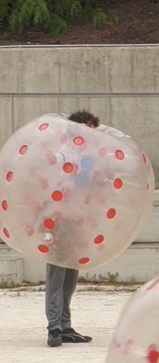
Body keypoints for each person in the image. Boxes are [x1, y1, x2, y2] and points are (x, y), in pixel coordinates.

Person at [45, 109, 100, 347]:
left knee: (71, 275)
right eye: (85, 129)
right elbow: (52, 185)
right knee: (56, 275)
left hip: (78, 219)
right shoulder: (60, 156)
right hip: (58, 219)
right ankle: (54, 327)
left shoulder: (87, 158)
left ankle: (65, 325)